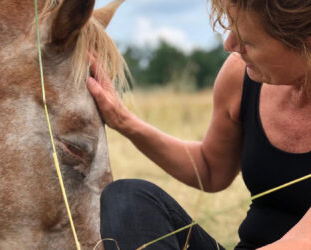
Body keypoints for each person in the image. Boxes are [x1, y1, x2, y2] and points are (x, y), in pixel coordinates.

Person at [86, 0, 311, 249]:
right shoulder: (241, 74)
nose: (230, 46)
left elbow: (303, 240)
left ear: (305, 44)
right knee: (126, 198)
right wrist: (122, 119)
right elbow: (210, 169)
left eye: (248, 42)